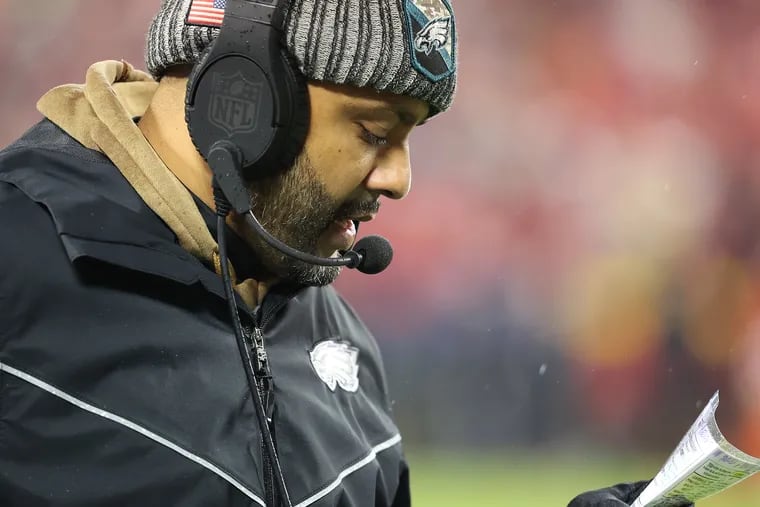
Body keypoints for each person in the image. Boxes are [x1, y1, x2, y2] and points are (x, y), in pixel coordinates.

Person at [0, 1, 681, 506]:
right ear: (243, 102)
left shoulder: (332, 332)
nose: (399, 178)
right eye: (374, 130)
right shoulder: (17, 258)